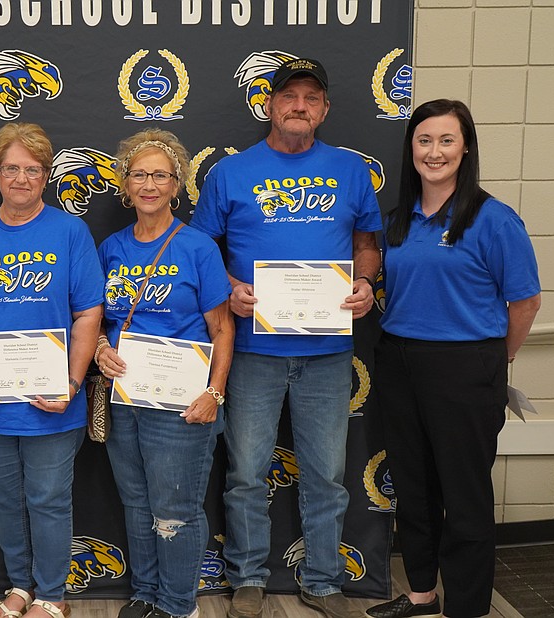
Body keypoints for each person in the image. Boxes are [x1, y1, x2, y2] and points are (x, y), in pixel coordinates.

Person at [190, 57, 382, 618]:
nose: (299, 105)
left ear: (324, 109)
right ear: (270, 105)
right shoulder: (231, 173)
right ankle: (247, 576)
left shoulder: (350, 172)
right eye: (289, 96)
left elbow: (367, 243)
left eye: (311, 97)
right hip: (252, 350)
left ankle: (323, 582)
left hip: (325, 353)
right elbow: (202, 252)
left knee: (326, 474)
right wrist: (229, 288)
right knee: (247, 471)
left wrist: (366, 282)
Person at [366, 100, 541, 618]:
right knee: (413, 487)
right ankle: (422, 594)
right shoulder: (397, 221)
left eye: (446, 140)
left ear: (466, 148)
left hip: (467, 367)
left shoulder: (494, 220)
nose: (434, 151)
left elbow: (525, 302)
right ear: (411, 149)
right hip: (400, 361)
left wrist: (493, 362)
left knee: (463, 496)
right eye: (424, 140)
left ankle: (466, 607)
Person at [0, 122, 103, 618]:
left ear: (47, 175)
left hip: (53, 400)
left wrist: (73, 382)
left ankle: (52, 594)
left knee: (48, 499)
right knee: (5, 498)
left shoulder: (70, 232)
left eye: (33, 169)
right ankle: (20, 587)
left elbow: (89, 312)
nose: (22, 178)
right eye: (12, 168)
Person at [96, 129, 234, 618]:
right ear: (125, 183)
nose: (149, 184)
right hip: (126, 396)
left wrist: (214, 394)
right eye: (140, 174)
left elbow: (222, 328)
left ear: (177, 185)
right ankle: (147, 594)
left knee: (175, 510)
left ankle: (179, 606)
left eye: (160, 175)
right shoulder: (111, 248)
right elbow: (101, 321)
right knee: (137, 504)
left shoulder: (197, 248)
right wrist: (99, 349)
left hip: (181, 405)